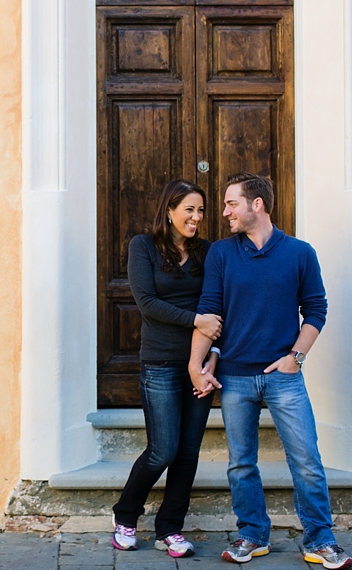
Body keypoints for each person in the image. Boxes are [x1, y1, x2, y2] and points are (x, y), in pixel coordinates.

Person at [189, 173, 352, 569]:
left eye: (231, 203)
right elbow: (211, 311)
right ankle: (251, 534)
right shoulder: (222, 254)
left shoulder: (299, 253)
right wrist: (207, 359)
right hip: (235, 377)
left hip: (284, 376)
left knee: (306, 458)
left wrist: (295, 358)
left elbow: (316, 310)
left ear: (256, 204)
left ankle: (320, 540)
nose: (224, 211)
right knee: (241, 463)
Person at [111, 179, 224, 559]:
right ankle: (126, 516)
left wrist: (212, 357)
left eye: (201, 211)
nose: (196, 217)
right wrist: (196, 320)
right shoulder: (142, 246)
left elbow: (219, 307)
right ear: (170, 211)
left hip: (199, 365)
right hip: (159, 362)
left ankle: (170, 529)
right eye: (189, 209)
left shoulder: (207, 252)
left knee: (189, 451)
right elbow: (146, 303)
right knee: (163, 450)